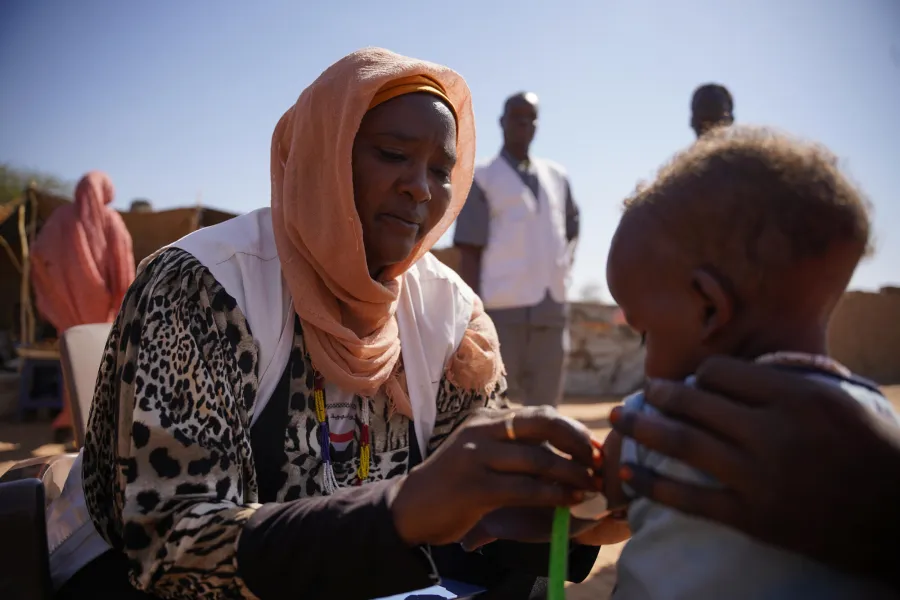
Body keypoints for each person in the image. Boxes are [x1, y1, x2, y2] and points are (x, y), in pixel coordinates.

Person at [45, 48, 611, 600]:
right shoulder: (203, 287)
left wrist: (591, 506)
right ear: (325, 155)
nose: (421, 186)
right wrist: (400, 513)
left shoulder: (448, 310)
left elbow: (474, 501)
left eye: (442, 170)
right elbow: (171, 547)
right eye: (392, 153)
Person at [600, 126, 899, 598]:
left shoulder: (665, 420)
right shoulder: (874, 429)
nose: (647, 354)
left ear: (709, 307)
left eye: (645, 332)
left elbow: (597, 490)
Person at [609, 356, 900, 594]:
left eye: (646, 335)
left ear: (710, 306)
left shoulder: (654, 413)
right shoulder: (880, 418)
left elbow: (592, 496)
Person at [454, 91, 579, 408]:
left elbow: (572, 226)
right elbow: (469, 248)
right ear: (502, 122)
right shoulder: (482, 177)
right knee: (500, 403)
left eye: (531, 118)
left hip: (552, 307)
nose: (524, 124)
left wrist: (564, 267)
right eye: (516, 117)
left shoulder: (558, 177)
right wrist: (471, 314)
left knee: (546, 403)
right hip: (501, 309)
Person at [30, 171, 135, 442]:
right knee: (103, 366)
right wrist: (122, 304)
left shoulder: (58, 219)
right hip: (103, 313)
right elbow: (124, 272)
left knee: (72, 364)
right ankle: (96, 431)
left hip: (67, 311)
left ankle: (71, 421)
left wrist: (58, 297)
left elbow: (38, 258)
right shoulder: (111, 220)